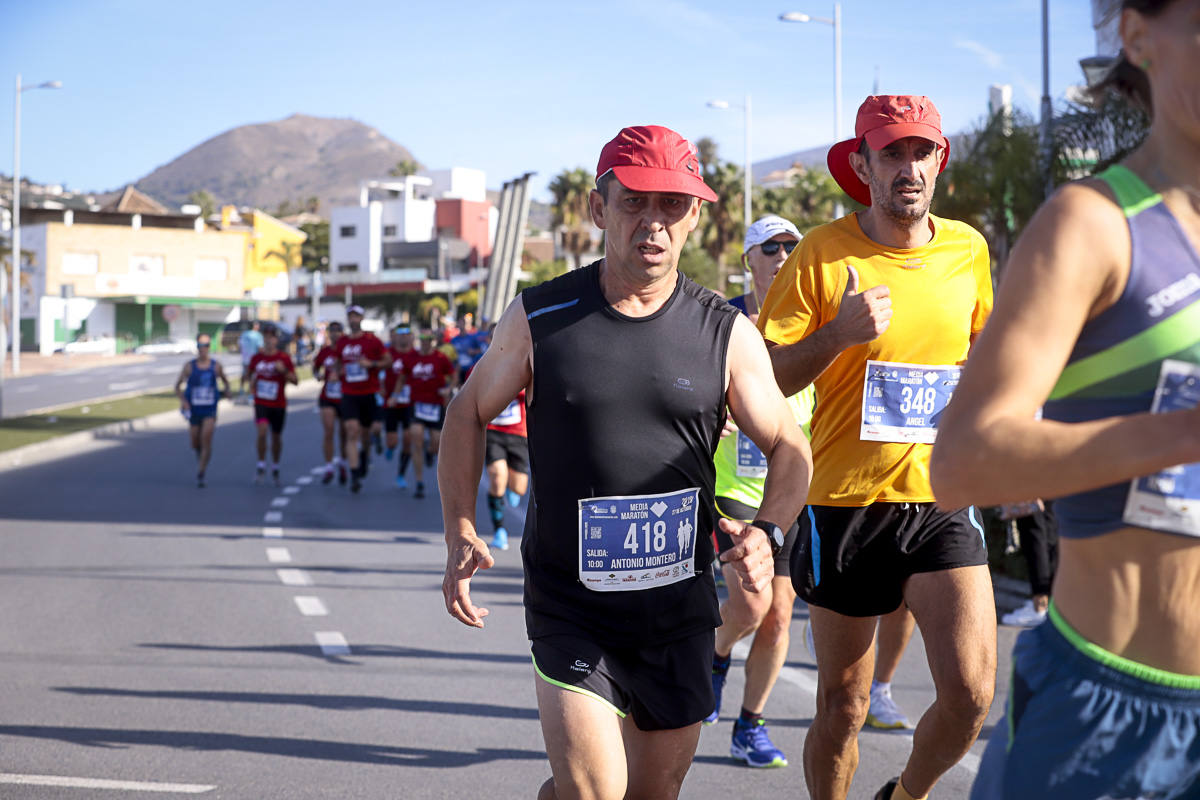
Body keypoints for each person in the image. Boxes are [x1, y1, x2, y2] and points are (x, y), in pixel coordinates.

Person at [439, 124, 812, 800]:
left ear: (695, 217)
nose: (653, 222)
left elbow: (791, 446)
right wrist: (460, 527)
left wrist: (769, 531)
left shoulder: (725, 333)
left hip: (678, 611)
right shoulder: (540, 316)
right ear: (597, 207)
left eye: (673, 205)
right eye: (635, 201)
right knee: (593, 794)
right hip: (570, 606)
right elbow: (466, 413)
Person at [931, 2, 1200, 795]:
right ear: (1138, 33)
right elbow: (965, 463)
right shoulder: (1093, 225)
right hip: (1114, 717)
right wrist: (1186, 432)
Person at [757, 95, 997, 800]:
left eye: (922, 152)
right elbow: (764, 372)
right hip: (845, 508)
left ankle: (905, 797)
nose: (909, 167)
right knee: (845, 707)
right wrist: (838, 335)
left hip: (941, 497)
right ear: (861, 164)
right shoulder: (822, 254)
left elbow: (986, 353)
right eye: (892, 153)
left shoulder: (968, 250)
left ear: (940, 161)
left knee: (971, 694)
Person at [704, 215, 816, 769]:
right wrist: (712, 414)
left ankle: (750, 724)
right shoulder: (722, 321)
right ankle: (719, 649)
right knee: (752, 602)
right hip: (734, 486)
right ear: (748, 259)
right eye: (769, 247)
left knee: (780, 612)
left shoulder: (813, 320)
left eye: (791, 247)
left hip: (792, 482)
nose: (781, 255)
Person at [334, 305, 391, 493]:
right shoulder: (342, 342)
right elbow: (337, 363)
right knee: (352, 431)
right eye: (350, 316)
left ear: (361, 318)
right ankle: (354, 475)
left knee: (369, 432)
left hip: (369, 392)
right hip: (349, 393)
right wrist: (337, 372)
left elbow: (387, 361)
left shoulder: (372, 340)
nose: (353, 320)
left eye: (356, 316)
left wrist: (371, 364)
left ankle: (365, 455)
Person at [173, 333, 231, 488]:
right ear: (197, 348)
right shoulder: (189, 366)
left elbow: (226, 383)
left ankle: (202, 471)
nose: (203, 349)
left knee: (206, 437)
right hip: (193, 409)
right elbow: (177, 387)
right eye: (200, 346)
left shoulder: (216, 366)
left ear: (209, 348)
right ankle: (200, 455)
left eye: (205, 346)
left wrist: (226, 392)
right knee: (194, 442)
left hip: (210, 409)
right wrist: (184, 401)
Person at [404, 328, 456, 500]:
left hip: (435, 406)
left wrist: (449, 389)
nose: (425, 341)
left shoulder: (440, 358)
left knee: (436, 445)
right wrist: (395, 395)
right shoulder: (412, 357)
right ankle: (419, 482)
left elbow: (453, 374)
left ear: (433, 341)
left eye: (428, 339)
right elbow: (401, 377)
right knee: (416, 438)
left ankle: (430, 451)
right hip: (417, 404)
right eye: (423, 338)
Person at [246, 324, 297, 486]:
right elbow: (249, 376)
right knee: (261, 432)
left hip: (278, 403)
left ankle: (275, 465)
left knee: (276, 437)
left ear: (276, 340)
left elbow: (295, 380)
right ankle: (261, 464)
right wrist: (251, 382)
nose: (269, 340)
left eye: (272, 337)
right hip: (261, 402)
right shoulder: (257, 358)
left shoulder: (284, 358)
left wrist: (283, 371)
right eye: (266, 337)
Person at [996, 500, 1058, 626]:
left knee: (1032, 530)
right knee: (1048, 528)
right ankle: (1049, 601)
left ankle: (1040, 605)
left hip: (1031, 483)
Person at [483, 387, 528, 552]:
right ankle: (499, 530)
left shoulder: (526, 367)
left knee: (519, 488)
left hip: (519, 434)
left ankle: (511, 487)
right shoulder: (481, 366)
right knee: (497, 477)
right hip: (492, 432)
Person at [313, 321, 348, 486]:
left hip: (345, 396)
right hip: (328, 396)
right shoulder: (325, 351)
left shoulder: (349, 350)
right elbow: (315, 367)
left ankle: (342, 462)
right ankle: (328, 467)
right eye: (331, 331)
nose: (334, 334)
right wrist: (318, 375)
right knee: (329, 431)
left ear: (342, 333)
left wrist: (341, 373)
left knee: (344, 433)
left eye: (337, 330)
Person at [383, 325, 419, 489]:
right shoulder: (388, 355)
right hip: (391, 402)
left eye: (407, 334)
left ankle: (401, 474)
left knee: (408, 439)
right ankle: (389, 447)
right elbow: (378, 375)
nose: (404, 338)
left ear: (412, 337)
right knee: (392, 441)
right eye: (400, 334)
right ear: (394, 337)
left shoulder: (417, 355)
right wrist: (382, 391)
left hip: (409, 404)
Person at [237, 320, 263, 400]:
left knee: (244, 374)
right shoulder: (258, 335)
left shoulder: (244, 334)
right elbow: (260, 348)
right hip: (253, 359)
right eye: (258, 325)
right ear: (255, 326)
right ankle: (251, 394)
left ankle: (241, 389)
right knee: (253, 377)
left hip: (245, 358)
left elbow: (239, 345)